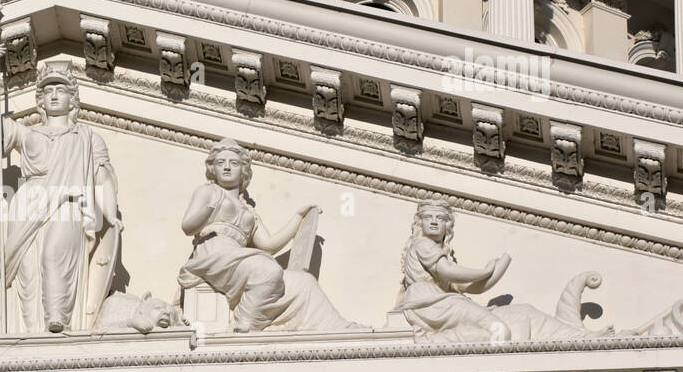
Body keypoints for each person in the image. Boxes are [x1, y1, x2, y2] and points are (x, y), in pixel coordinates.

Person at [0, 49, 120, 333]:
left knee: (54, 253)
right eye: (48, 90)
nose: (54, 95)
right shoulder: (27, 133)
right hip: (28, 204)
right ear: (40, 99)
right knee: (28, 273)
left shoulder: (88, 137)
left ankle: (58, 316)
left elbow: (101, 179)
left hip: (67, 202)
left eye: (61, 90)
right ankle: (32, 329)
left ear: (72, 98)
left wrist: (111, 215)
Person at [178, 139, 360, 332]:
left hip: (239, 258)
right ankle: (244, 325)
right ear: (212, 168)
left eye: (234, 163)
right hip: (214, 254)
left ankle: (339, 329)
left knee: (305, 282)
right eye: (221, 163)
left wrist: (299, 217)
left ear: (244, 171)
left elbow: (269, 245)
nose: (227, 167)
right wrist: (209, 208)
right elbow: (188, 226)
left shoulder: (248, 209)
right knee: (268, 271)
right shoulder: (209, 192)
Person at [396, 198, 514, 341]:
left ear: (447, 225)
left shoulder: (443, 254)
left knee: (500, 332)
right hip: (428, 302)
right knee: (499, 331)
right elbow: (446, 270)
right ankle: (434, 341)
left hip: (438, 300)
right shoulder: (423, 244)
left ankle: (438, 341)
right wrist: (485, 272)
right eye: (428, 217)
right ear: (420, 223)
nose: (434, 222)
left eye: (440, 218)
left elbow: (471, 288)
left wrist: (500, 266)